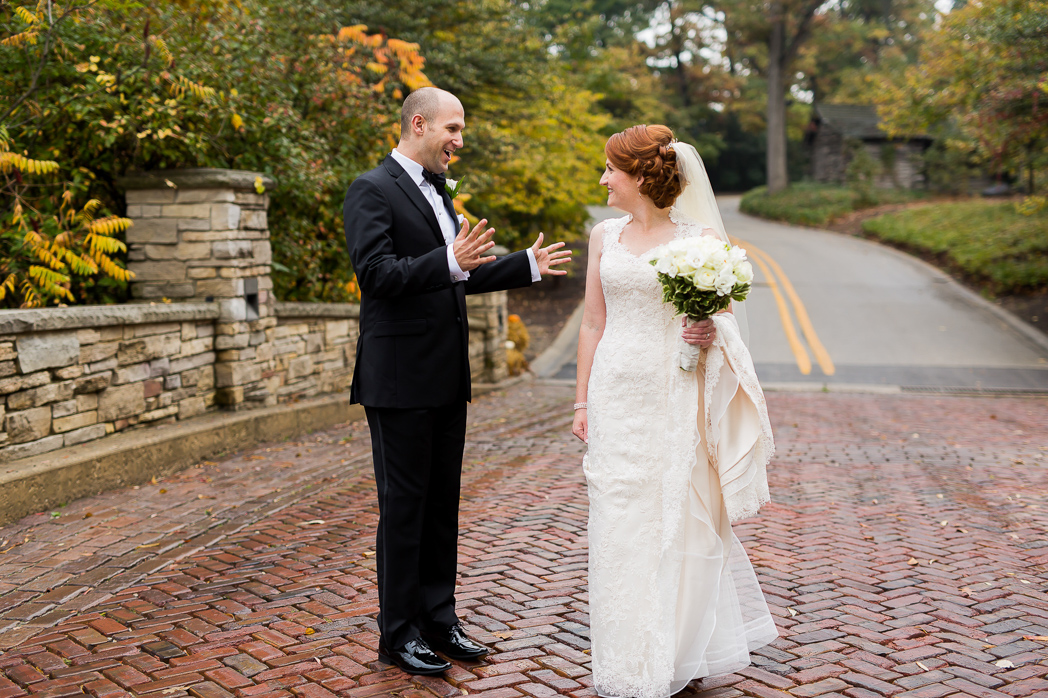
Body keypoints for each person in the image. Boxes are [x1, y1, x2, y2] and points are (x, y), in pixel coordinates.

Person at [342, 87, 571, 676]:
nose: (459, 141)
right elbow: (377, 276)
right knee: (404, 507)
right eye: (452, 129)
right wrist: (448, 260)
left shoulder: (441, 194)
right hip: (397, 380)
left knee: (442, 506)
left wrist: (524, 265)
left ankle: (440, 621)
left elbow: (457, 274)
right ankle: (398, 633)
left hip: (447, 376)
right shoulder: (371, 190)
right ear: (418, 124)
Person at [572, 125, 778, 698]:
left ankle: (672, 650)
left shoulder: (699, 239)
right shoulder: (602, 235)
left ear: (640, 176)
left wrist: (710, 328)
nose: (603, 179)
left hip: (674, 391)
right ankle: (624, 656)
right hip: (616, 394)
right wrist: (582, 398)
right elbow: (593, 321)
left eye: (611, 169)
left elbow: (728, 315)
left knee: (675, 515)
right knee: (616, 521)